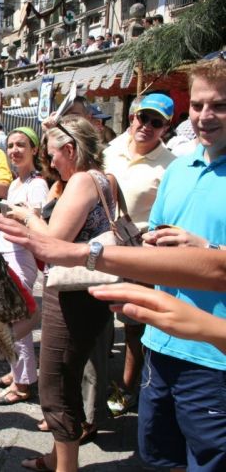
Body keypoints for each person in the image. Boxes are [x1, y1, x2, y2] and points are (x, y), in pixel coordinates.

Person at [7, 116, 115, 472]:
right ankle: (57, 457)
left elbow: (53, 242)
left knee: (54, 383)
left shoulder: (83, 180)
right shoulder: (106, 177)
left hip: (71, 293)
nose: (50, 163)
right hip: (89, 292)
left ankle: (64, 467)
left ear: (70, 150)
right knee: (66, 375)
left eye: (53, 154)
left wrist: (25, 217)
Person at [133, 57, 226, 471]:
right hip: (159, 344)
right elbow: (155, 239)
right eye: (199, 105)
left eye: (220, 105)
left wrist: (204, 248)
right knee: (157, 456)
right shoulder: (178, 169)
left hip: (214, 357)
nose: (206, 116)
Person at [0, 213, 226, 353]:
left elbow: (218, 270)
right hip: (160, 347)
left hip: (209, 359)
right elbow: (156, 249)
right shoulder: (179, 170)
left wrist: (205, 326)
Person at [102, 93, 177, 416]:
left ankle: (127, 389)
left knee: (134, 325)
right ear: (131, 117)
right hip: (103, 245)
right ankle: (91, 391)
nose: (145, 126)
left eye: (155, 122)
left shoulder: (172, 165)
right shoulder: (110, 151)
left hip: (142, 251)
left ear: (166, 128)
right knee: (96, 320)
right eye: (141, 118)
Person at [0, 127, 48, 406]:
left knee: (17, 316)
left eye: (21, 145)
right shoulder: (17, 182)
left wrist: (17, 215)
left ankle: (24, 382)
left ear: (35, 150)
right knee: (8, 314)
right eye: (11, 145)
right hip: (8, 252)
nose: (14, 150)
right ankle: (17, 372)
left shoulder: (37, 184)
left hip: (21, 255)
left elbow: (35, 220)